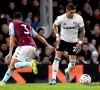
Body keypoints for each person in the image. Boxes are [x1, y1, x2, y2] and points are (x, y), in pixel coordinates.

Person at [0, 12, 53, 86]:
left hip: (23, 46)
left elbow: (12, 39)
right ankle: (3, 82)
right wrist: (48, 45)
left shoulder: (13, 24)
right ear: (21, 18)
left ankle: (30, 63)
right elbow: (39, 37)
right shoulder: (28, 26)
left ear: (13, 19)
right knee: (13, 65)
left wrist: (10, 52)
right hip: (33, 47)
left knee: (12, 65)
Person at [49, 4, 85, 85]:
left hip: (73, 41)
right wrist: (57, 36)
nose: (73, 14)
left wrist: (79, 42)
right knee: (57, 58)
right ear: (67, 12)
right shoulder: (61, 18)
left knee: (72, 63)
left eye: (74, 12)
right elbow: (54, 25)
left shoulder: (79, 18)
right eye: (71, 12)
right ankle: (53, 79)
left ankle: (67, 71)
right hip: (63, 40)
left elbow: (82, 31)